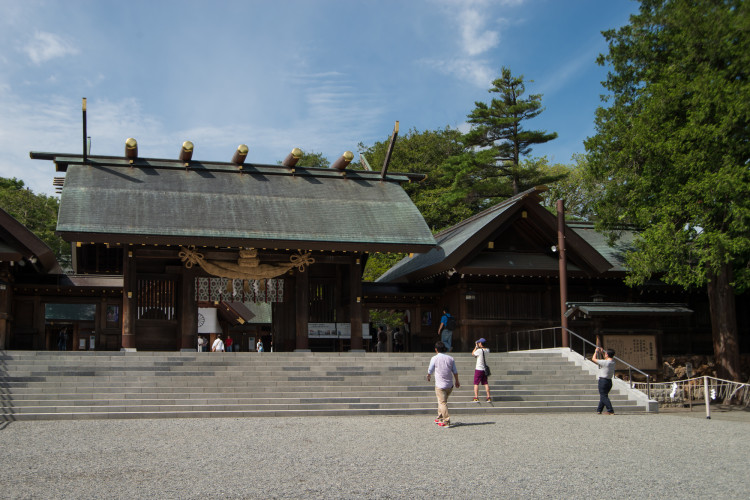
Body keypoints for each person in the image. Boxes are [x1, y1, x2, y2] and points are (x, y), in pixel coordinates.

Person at [427, 341, 460, 427]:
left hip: (440, 385)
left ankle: (446, 420)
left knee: (442, 402)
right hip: (449, 385)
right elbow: (455, 371)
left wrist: (429, 375)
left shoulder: (434, 358)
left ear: (436, 349)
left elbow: (430, 369)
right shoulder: (450, 358)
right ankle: (439, 417)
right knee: (441, 401)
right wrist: (457, 381)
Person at [593, 347, 616, 415]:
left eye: (606, 353)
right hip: (609, 381)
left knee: (603, 396)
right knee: (603, 395)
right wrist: (602, 352)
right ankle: (599, 410)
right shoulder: (613, 361)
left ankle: (610, 410)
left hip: (603, 381)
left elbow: (593, 359)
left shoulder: (605, 362)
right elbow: (606, 358)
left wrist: (596, 352)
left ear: (607, 354)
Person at [472, 338, 491, 402]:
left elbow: (473, 354)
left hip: (479, 368)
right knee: (485, 383)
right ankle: (488, 397)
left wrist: (476, 347)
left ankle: (476, 397)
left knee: (476, 383)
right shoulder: (488, 350)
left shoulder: (479, 351)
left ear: (481, 343)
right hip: (484, 369)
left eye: (479, 343)